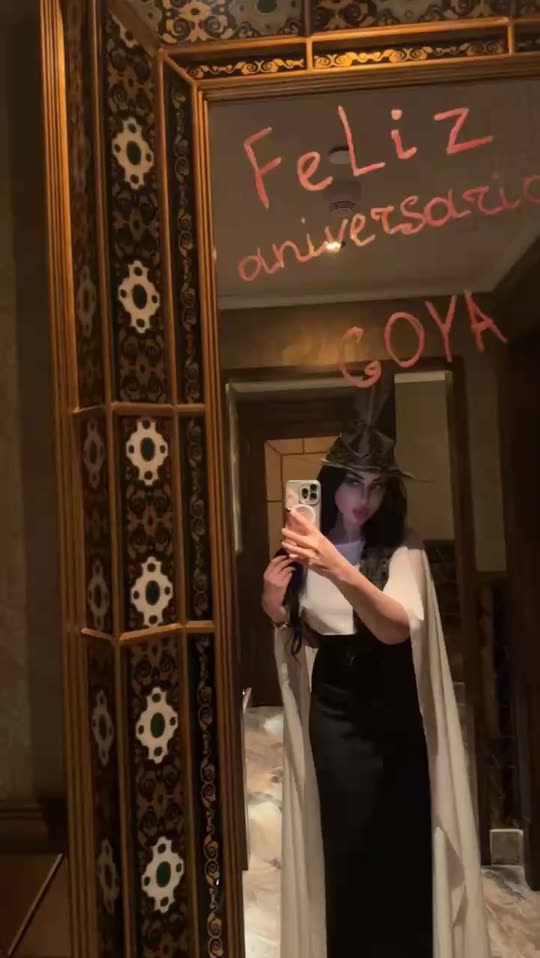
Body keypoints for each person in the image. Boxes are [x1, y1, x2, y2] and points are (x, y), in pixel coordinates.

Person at [261, 397, 491, 958]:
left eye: (377, 486)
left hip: (391, 712)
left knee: (397, 841)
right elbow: (305, 631)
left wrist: (335, 564)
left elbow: (394, 627)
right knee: (344, 845)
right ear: (331, 483)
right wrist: (274, 604)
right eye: (352, 483)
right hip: (333, 711)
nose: (363, 500)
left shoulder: (402, 547)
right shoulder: (302, 548)